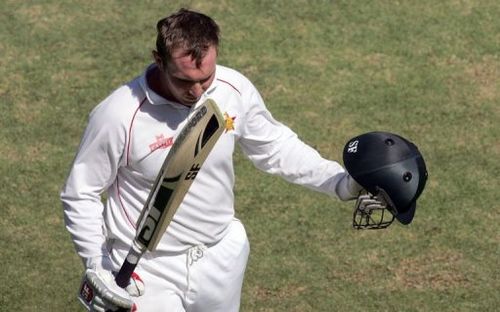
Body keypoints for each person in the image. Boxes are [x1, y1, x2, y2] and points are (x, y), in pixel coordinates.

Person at [61, 8, 377, 312]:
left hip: (220, 258)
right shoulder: (118, 115)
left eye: (206, 77)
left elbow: (276, 148)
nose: (198, 92)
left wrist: (341, 183)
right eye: (185, 81)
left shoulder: (232, 89)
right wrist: (97, 263)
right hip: (146, 271)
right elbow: (81, 192)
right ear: (159, 60)